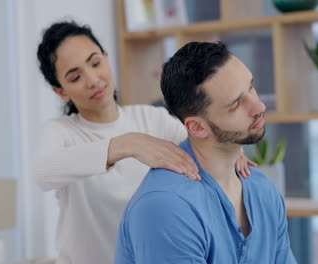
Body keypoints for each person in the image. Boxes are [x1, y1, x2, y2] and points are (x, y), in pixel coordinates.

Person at [34, 20, 255, 264]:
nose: (93, 80)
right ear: (61, 91)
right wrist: (128, 144)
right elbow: (44, 172)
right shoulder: (61, 132)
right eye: (75, 77)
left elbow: (206, 141)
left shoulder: (151, 119)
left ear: (107, 58)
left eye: (96, 63)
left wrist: (231, 152)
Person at [115, 41, 298, 264]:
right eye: (236, 104)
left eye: (251, 87)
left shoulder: (263, 190)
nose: (258, 106)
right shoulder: (165, 208)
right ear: (198, 127)